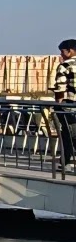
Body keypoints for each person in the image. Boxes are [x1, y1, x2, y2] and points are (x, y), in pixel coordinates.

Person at [53, 39, 76, 171]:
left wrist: (58, 103)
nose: (61, 54)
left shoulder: (65, 66)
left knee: (67, 133)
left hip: (69, 105)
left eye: (62, 52)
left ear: (70, 51)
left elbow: (60, 87)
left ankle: (67, 162)